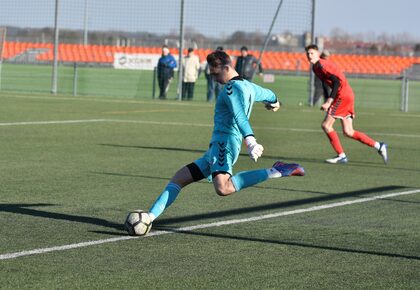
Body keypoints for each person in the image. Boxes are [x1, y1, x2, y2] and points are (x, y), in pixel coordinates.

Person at [144, 50, 305, 227]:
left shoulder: (231, 88)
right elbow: (269, 94)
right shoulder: (249, 86)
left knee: (223, 187)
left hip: (225, 143)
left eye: (215, 73)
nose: (214, 78)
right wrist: (274, 103)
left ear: (226, 67)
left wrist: (251, 141)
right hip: (218, 146)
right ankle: (149, 217)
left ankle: (277, 170)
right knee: (180, 178)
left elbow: (239, 114)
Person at [305, 44, 388, 164]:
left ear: (318, 54)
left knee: (326, 126)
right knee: (349, 131)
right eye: (307, 53)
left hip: (342, 95)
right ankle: (379, 146)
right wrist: (328, 99)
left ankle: (341, 156)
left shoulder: (322, 65)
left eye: (312, 53)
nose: (309, 55)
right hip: (347, 94)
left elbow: (336, 82)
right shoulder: (315, 68)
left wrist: (329, 101)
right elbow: (327, 83)